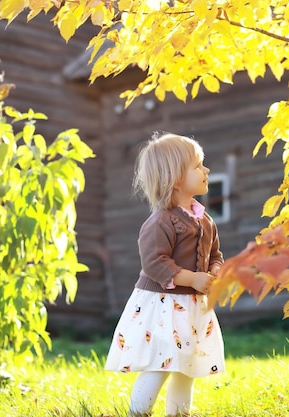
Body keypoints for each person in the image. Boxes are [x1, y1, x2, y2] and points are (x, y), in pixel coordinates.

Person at [105, 132, 225, 417]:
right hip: (163, 307)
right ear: (174, 177)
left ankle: (179, 414)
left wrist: (215, 271)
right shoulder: (161, 221)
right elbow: (154, 263)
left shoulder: (205, 220)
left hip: (192, 307)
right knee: (161, 363)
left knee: (187, 367)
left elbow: (215, 254)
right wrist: (192, 279)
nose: (206, 170)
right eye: (198, 166)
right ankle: (138, 412)